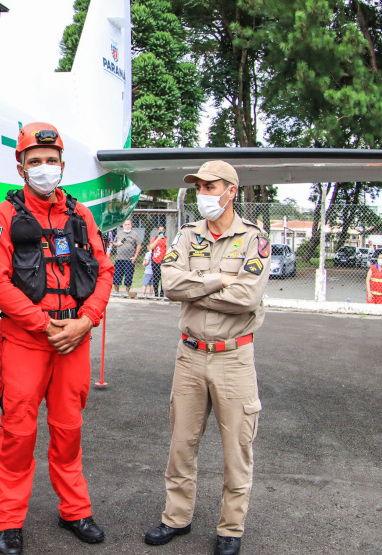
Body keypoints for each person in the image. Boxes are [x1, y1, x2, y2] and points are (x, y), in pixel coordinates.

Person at [0, 122, 114, 555]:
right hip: (26, 341)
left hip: (75, 338)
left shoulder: (81, 215)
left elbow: (104, 272)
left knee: (69, 429)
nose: (43, 168)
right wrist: (43, 323)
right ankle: (9, 520)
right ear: (20, 167)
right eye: (34, 161)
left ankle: (75, 510)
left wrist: (86, 320)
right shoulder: (2, 218)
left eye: (50, 160)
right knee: (18, 432)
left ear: (62, 165)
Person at [144, 161, 269, 555]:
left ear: (231, 190)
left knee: (237, 449)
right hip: (190, 356)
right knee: (182, 444)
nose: (203, 194)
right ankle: (175, 518)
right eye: (199, 187)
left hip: (234, 358)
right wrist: (219, 280)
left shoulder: (253, 239)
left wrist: (195, 289)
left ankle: (230, 529)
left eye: (210, 186)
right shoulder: (187, 235)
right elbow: (169, 284)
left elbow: (247, 297)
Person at [112, 219, 141, 297]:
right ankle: (116, 292)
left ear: (131, 225)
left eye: (128, 224)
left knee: (128, 275)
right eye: (125, 224)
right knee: (117, 275)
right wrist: (117, 244)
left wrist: (135, 257)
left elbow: (139, 245)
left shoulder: (135, 234)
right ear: (123, 225)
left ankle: (127, 292)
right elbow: (112, 243)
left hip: (129, 259)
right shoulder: (119, 233)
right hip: (119, 258)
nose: (127, 226)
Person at [149, 226, 168, 297]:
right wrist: (158, 239)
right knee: (156, 278)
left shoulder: (166, 239)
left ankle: (162, 294)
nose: (161, 231)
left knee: (163, 278)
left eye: (163, 230)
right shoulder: (154, 238)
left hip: (163, 260)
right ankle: (156, 294)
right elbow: (151, 247)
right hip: (155, 260)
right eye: (160, 230)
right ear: (157, 231)